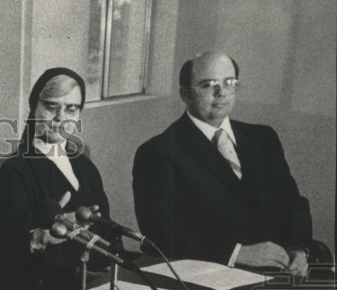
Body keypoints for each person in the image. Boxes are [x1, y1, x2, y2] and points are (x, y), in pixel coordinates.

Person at [133, 50, 317, 275]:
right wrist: (237, 253)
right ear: (185, 94)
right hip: (211, 275)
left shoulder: (264, 138)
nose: (221, 93)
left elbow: (293, 203)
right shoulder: (157, 152)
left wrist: (299, 250)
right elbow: (160, 232)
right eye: (208, 85)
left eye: (229, 83)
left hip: (281, 269)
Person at [0, 67, 113, 290]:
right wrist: (41, 236)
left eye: (71, 109)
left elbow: (108, 233)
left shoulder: (85, 167)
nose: (60, 118)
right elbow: (4, 253)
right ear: (35, 107)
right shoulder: (16, 170)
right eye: (51, 106)